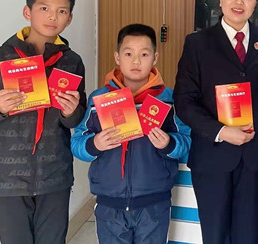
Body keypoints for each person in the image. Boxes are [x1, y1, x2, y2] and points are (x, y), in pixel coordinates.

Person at [174, 0, 258, 244]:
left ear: (256, 1)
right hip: (212, 157)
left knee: (252, 236)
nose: (239, 1)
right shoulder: (197, 43)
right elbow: (184, 101)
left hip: (256, 158)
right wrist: (222, 131)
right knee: (215, 236)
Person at [0, 0, 86, 244]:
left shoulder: (71, 62)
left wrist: (71, 112)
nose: (52, 17)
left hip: (54, 177)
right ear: (28, 12)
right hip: (7, 179)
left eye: (62, 11)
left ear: (69, 18)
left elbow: (75, 119)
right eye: (44, 8)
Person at [71, 23, 190, 244]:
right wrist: (95, 144)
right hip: (110, 203)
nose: (136, 61)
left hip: (154, 204)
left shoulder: (169, 100)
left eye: (144, 54)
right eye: (128, 54)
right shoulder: (99, 100)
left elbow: (186, 142)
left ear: (155, 58)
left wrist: (169, 143)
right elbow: (77, 143)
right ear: (117, 57)